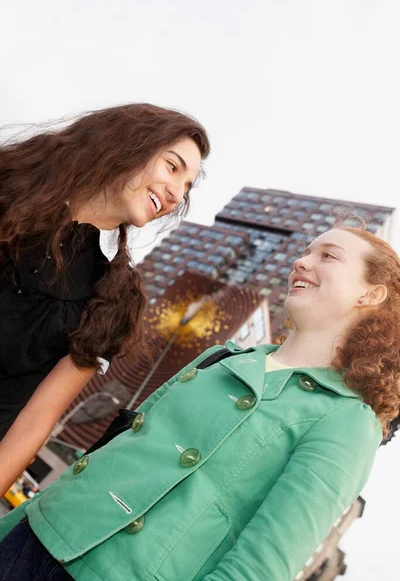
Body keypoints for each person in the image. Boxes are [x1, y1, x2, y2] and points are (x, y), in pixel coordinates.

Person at [0, 226, 399, 581]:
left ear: (370, 294)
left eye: (327, 256)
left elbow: (261, 566)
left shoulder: (348, 419)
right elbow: (112, 451)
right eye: (306, 251)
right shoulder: (220, 357)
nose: (301, 261)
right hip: (39, 531)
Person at [0, 103, 210, 496]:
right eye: (172, 167)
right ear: (130, 144)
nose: (175, 193)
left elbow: (35, 421)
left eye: (186, 187)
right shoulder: (9, 189)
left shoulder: (114, 298)